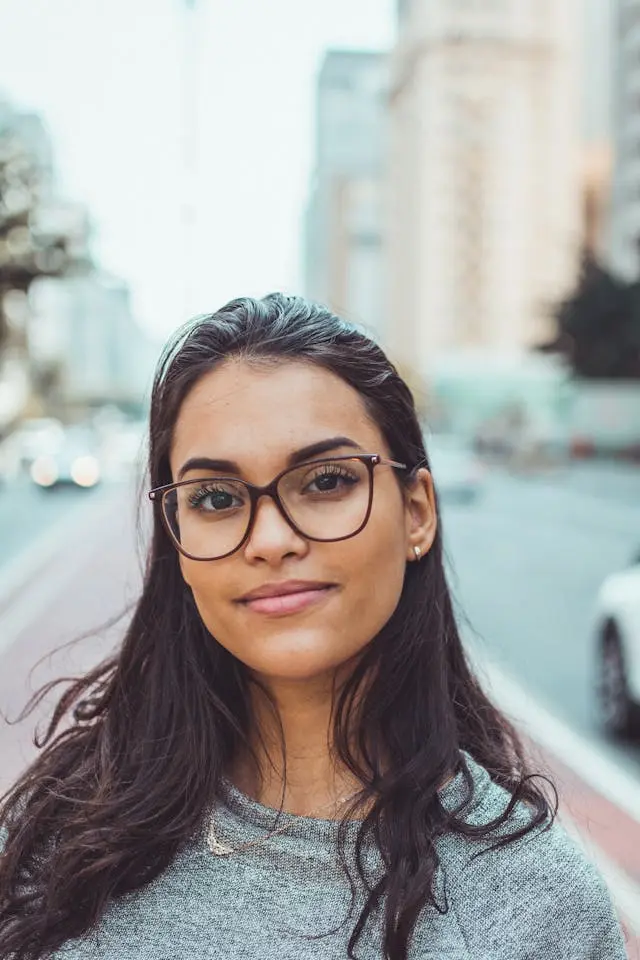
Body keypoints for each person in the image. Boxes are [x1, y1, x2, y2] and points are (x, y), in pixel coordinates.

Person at [0, 294, 627, 959]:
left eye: (326, 482)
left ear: (415, 513)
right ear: (177, 540)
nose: (270, 540)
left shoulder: (537, 905)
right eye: (216, 498)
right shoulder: (58, 844)